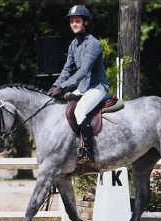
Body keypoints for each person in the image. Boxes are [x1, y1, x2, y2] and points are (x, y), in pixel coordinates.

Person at [47, 5, 109, 164]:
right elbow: (67, 69)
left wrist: (63, 87)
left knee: (80, 110)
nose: (74, 24)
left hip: (97, 87)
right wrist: (55, 86)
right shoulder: (74, 44)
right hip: (83, 88)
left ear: (85, 23)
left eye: (77, 21)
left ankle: (89, 150)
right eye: (72, 21)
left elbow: (83, 71)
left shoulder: (93, 43)